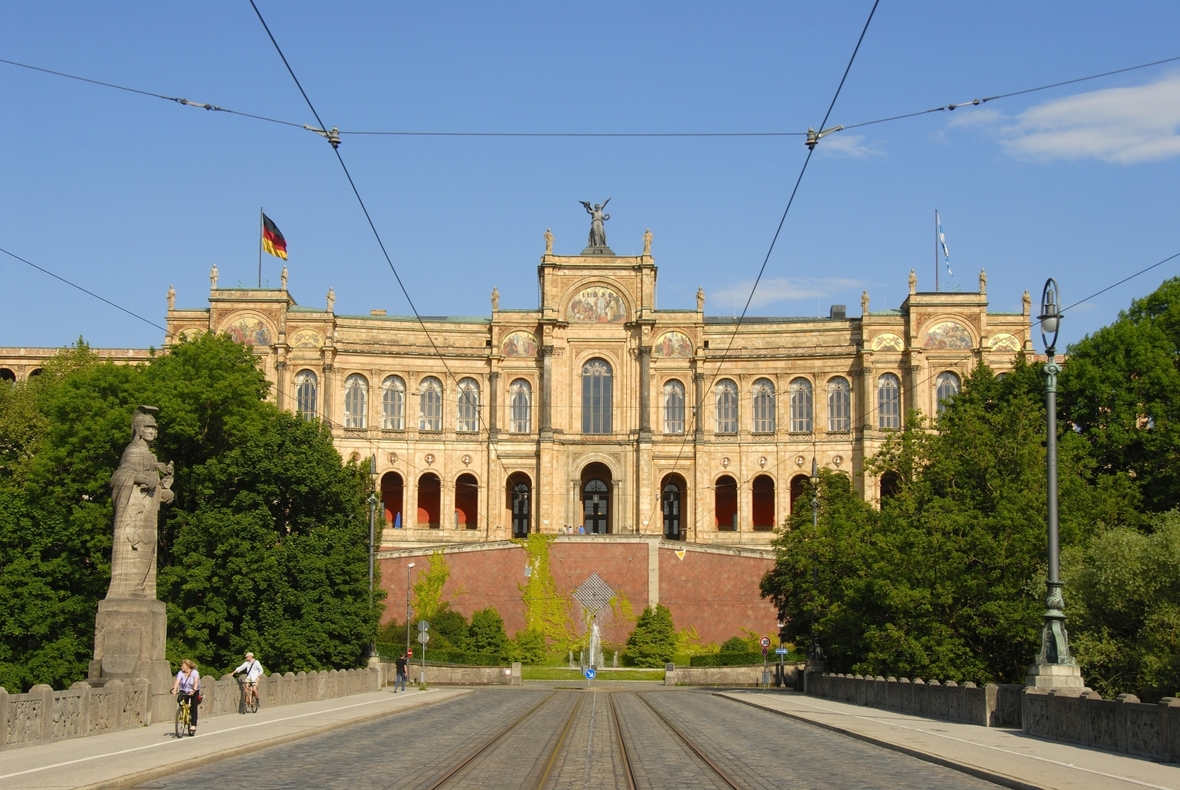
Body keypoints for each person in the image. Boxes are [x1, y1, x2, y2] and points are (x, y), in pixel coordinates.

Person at [170, 658, 201, 734]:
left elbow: (196, 682)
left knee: (193, 707)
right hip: (184, 690)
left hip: (193, 690)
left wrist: (193, 690)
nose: (181, 667)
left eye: (183, 665)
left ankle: (193, 724)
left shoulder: (194, 672)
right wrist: (174, 689)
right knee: (180, 700)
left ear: (188, 666)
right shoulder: (180, 673)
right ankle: (182, 711)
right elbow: (177, 681)